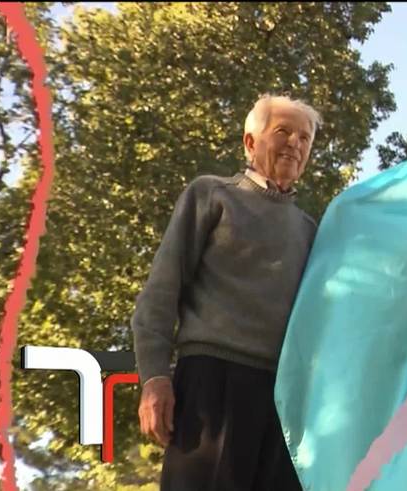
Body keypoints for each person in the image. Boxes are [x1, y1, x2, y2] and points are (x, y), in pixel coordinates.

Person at [131, 94, 320, 490]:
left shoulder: (311, 231)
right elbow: (161, 291)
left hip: (283, 397)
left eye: (304, 138)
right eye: (282, 131)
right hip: (211, 383)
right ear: (250, 142)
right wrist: (153, 377)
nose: (295, 144)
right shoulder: (212, 195)